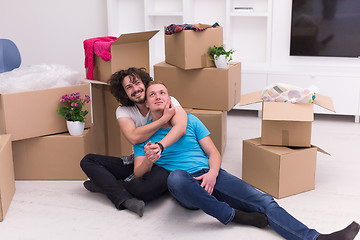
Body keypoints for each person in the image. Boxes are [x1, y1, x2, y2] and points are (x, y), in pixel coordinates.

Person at [133, 81, 360, 240]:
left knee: (265, 201)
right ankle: (230, 215)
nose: (158, 97)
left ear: (170, 98)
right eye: (152, 94)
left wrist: (213, 173)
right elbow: (139, 172)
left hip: (212, 176)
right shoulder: (144, 135)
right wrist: (151, 160)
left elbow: (214, 153)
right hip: (186, 187)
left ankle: (315, 238)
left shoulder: (190, 121)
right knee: (176, 178)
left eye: (162, 92)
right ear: (147, 103)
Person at [80, 68, 187, 217]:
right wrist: (163, 119)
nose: (135, 89)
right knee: (88, 160)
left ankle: (105, 185)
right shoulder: (123, 111)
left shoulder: (166, 99)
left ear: (144, 83)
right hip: (140, 158)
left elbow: (181, 127)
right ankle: (124, 199)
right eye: (129, 87)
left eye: (137, 83)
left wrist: (156, 144)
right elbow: (133, 137)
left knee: (144, 189)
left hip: (165, 160)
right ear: (124, 93)